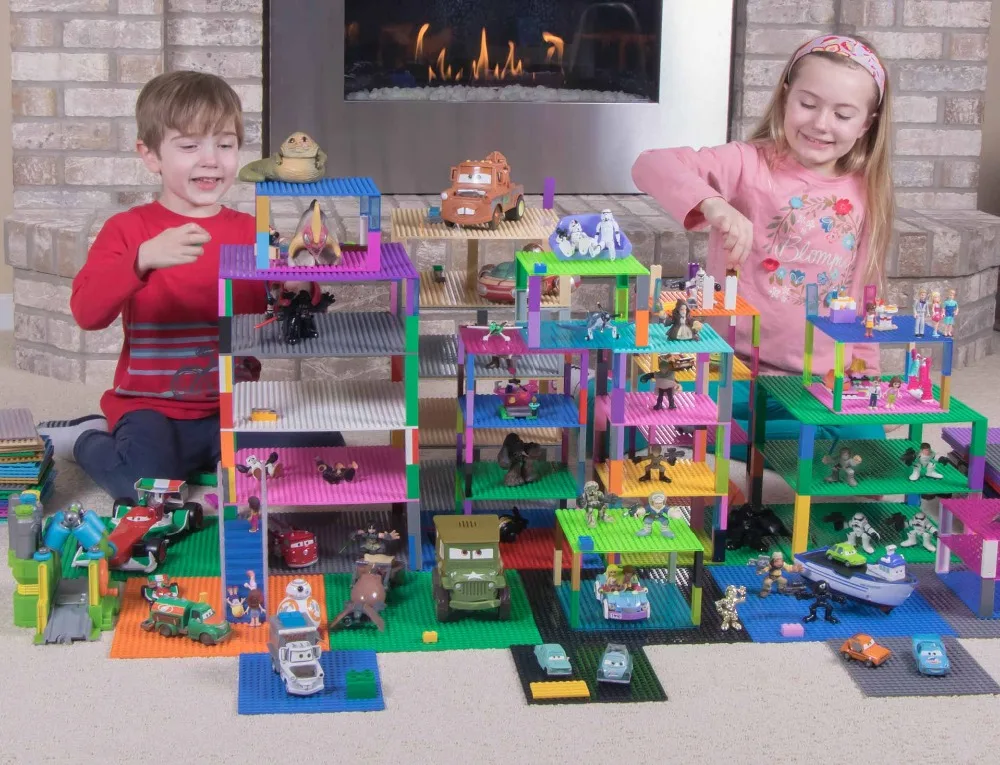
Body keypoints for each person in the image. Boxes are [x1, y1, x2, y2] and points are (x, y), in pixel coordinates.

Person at [37, 71, 343, 501]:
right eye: (189, 146)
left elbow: (289, 308)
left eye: (225, 145)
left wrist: (299, 281)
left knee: (326, 450)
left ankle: (217, 461)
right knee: (146, 490)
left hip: (235, 405)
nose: (211, 160)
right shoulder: (128, 230)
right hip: (152, 410)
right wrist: (141, 260)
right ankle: (87, 437)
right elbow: (87, 313)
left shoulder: (252, 231)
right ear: (150, 155)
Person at [631, 34, 892, 461]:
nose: (821, 123)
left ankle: (726, 450)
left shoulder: (867, 192)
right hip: (729, 369)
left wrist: (869, 379)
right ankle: (750, 452)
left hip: (816, 382)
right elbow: (650, 163)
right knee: (643, 409)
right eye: (808, 104)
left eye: (843, 114)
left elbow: (864, 296)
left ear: (866, 123)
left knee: (869, 448)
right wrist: (713, 204)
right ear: (785, 97)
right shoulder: (745, 162)